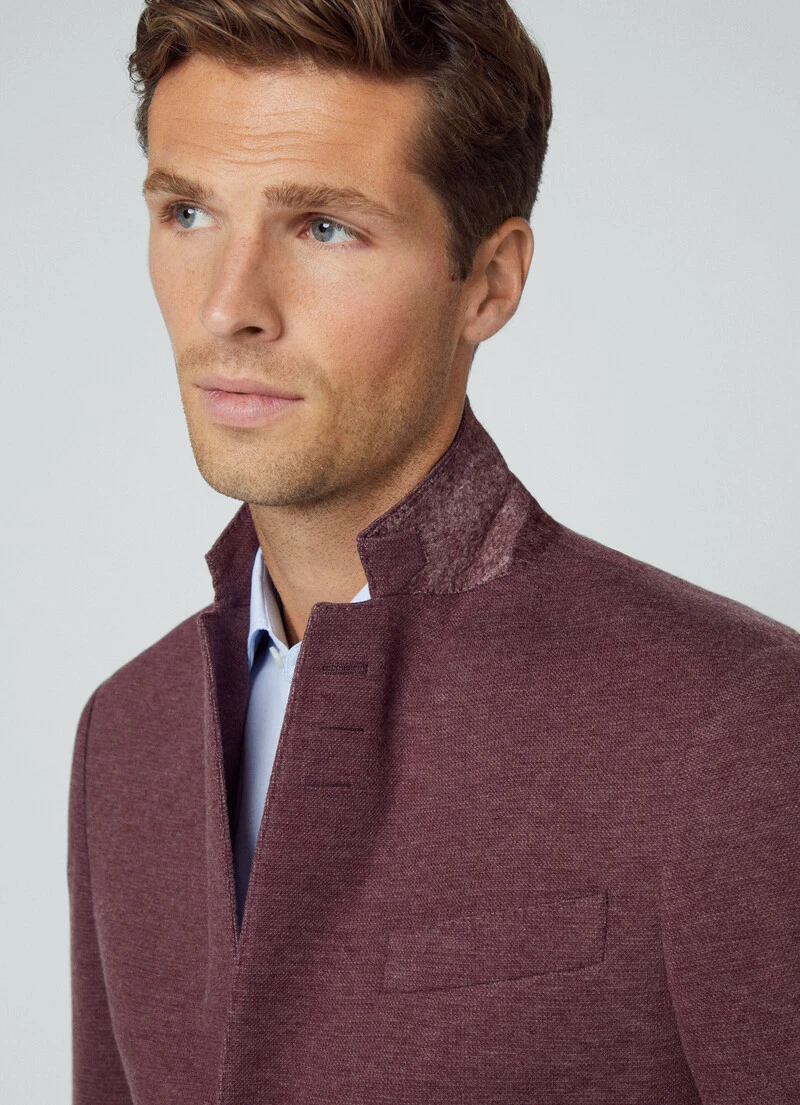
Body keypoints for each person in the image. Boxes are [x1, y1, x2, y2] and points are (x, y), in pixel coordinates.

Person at [67, 1, 799, 1102]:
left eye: (324, 227)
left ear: (489, 282)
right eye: (188, 212)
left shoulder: (736, 727)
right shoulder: (126, 735)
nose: (228, 306)